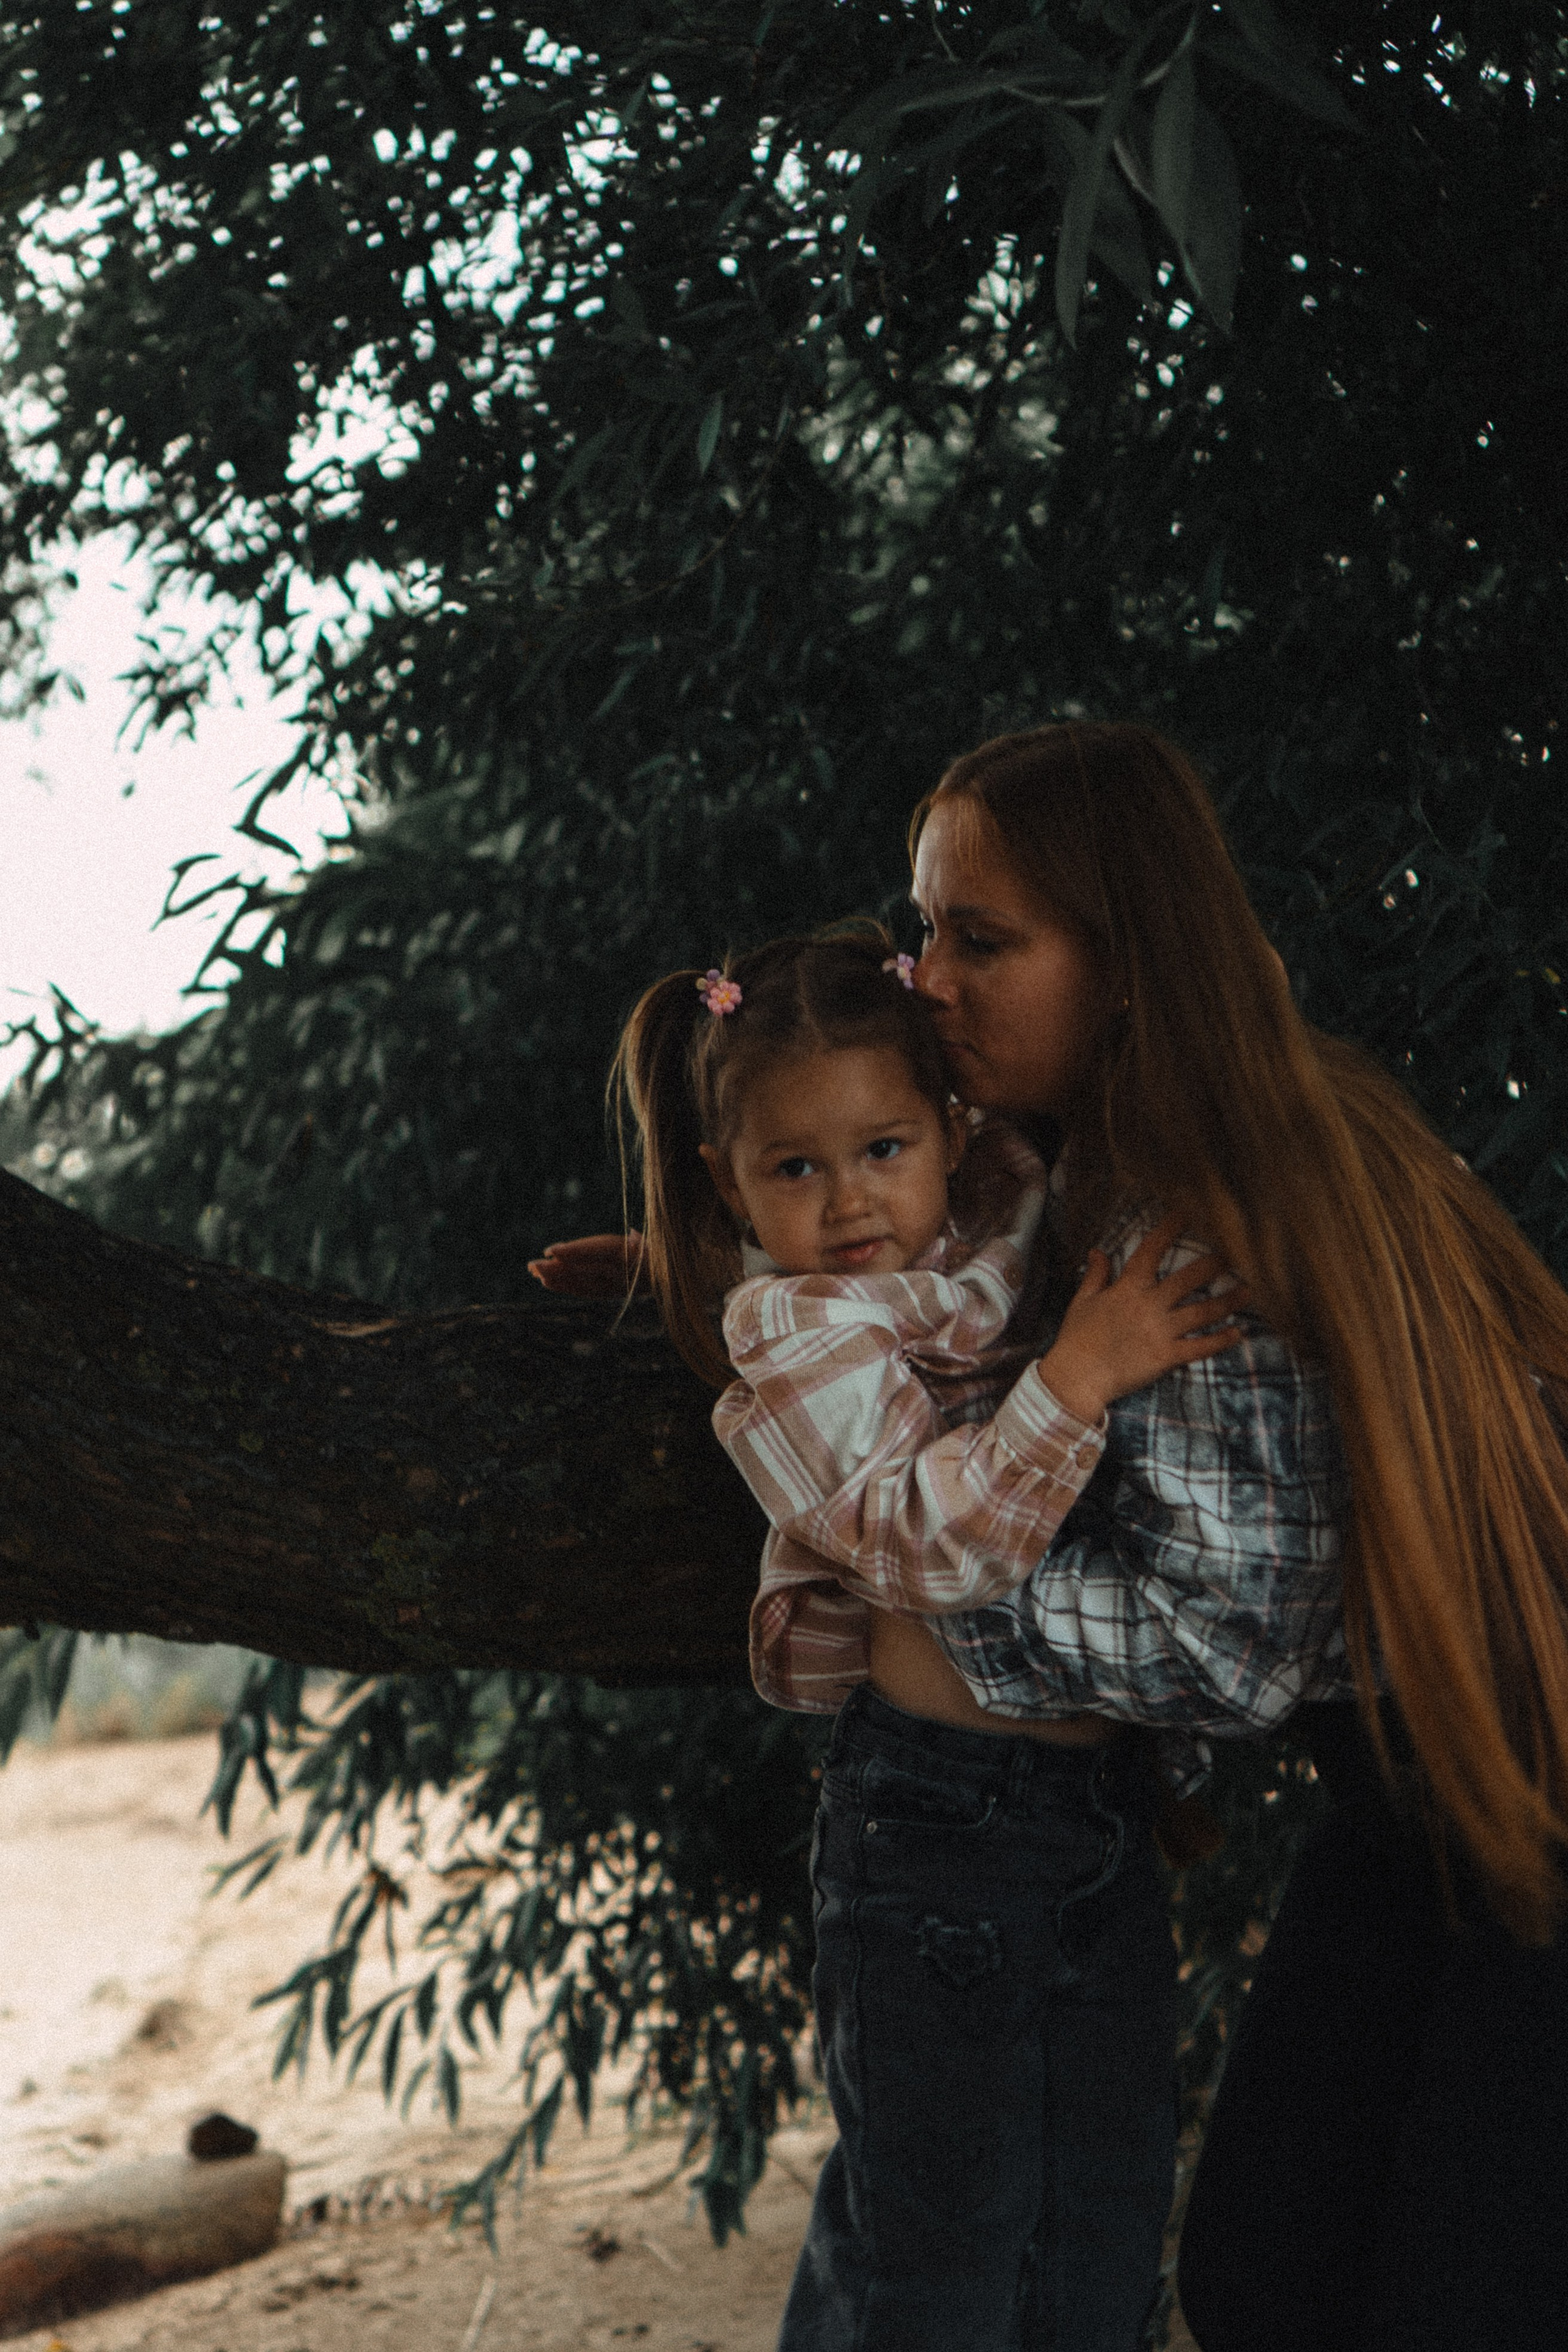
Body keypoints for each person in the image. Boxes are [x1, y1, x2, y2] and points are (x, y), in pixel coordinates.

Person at [533, 720, 1568, 2352]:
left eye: (981, 939)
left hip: (1528, 1783)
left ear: (1129, 957)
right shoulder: (1115, 1173)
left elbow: (1225, 1649)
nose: (926, 977)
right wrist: (757, 1267)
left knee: (1401, 2294)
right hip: (1433, 1790)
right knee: (1260, 2273)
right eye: (923, 925)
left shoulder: (1196, 1216)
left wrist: (919, 1619)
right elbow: (956, 1270)